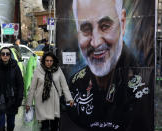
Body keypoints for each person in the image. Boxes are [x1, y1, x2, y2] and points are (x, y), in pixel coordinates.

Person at [62, 0, 154, 131]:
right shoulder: (75, 85)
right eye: (86, 29)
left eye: (105, 26)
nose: (95, 42)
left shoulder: (146, 87)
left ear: (122, 24)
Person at [26, 52, 74, 131]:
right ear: (44, 61)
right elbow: (32, 88)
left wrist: (69, 98)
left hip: (55, 102)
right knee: (44, 126)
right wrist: (29, 103)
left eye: (51, 61)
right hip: (41, 101)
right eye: (47, 60)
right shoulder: (38, 70)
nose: (49, 62)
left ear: (53, 61)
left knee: (54, 126)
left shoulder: (58, 70)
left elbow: (64, 85)